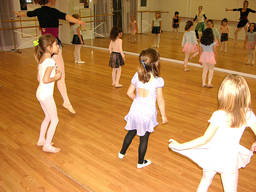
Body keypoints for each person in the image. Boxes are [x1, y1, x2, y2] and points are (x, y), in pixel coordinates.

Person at [169, 74, 256, 192]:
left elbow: (205, 139)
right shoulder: (248, 114)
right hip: (229, 160)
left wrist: (180, 146)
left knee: (205, 182)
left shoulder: (219, 115)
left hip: (212, 156)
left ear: (223, 95)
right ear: (245, 94)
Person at [16, 0, 85, 114]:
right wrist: (79, 21)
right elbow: (66, 17)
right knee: (60, 76)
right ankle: (65, 102)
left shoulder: (39, 11)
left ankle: (49, 99)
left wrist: (19, 13)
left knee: (44, 73)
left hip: (42, 45)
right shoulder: (53, 11)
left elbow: (27, 13)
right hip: (53, 47)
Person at [119, 48, 168, 168]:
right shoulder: (158, 81)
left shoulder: (137, 76)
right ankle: (141, 162)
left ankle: (122, 153)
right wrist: (163, 115)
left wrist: (137, 100)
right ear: (156, 63)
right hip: (147, 113)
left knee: (131, 132)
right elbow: (160, 100)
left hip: (135, 110)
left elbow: (129, 93)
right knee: (144, 138)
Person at [35, 34, 62, 153]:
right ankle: (47, 145)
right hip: (46, 95)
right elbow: (45, 79)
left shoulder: (41, 59)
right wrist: (56, 77)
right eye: (56, 44)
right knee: (55, 120)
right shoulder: (50, 61)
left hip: (40, 93)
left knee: (47, 117)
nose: (58, 47)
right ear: (49, 47)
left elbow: (38, 78)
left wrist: (52, 75)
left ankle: (41, 140)